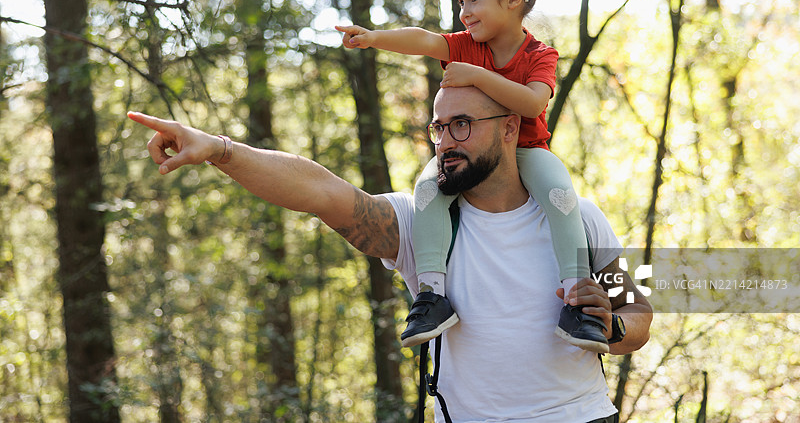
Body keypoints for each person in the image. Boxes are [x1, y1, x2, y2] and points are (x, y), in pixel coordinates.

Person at [127, 85, 652, 422]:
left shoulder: (578, 218)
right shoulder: (419, 226)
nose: (446, 141)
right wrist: (221, 149)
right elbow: (320, 192)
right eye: (439, 127)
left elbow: (639, 316)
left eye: (462, 124)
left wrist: (612, 327)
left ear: (511, 128)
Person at [335, 0, 606, 352]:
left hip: (525, 151)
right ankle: (432, 295)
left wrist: (480, 76)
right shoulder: (465, 44)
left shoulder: (539, 55)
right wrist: (374, 38)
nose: (464, 11)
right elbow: (424, 40)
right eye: (461, 1)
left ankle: (577, 300)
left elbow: (533, 104)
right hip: (472, 154)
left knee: (559, 193)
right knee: (428, 189)